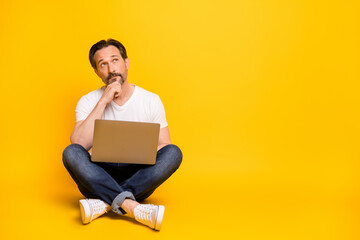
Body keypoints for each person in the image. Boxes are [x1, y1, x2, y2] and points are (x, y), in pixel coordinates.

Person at [62, 39, 182, 231]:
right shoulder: (88, 101)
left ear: (126, 63)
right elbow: (78, 144)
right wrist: (103, 101)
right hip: (98, 174)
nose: (111, 69)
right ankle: (132, 206)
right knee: (70, 153)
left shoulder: (151, 100)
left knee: (174, 153)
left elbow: (165, 146)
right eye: (103, 64)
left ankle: (104, 203)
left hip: (137, 174)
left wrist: (140, 148)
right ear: (97, 72)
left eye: (115, 60)